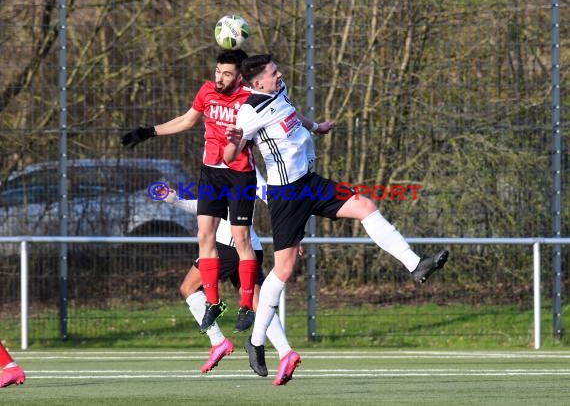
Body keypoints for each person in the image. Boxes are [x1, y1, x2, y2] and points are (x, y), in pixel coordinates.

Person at [224, 54, 449, 384]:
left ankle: (416, 265)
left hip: (311, 183)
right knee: (283, 270)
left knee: (366, 206)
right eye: (273, 73)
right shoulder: (248, 111)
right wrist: (232, 144)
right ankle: (256, 343)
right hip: (287, 196)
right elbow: (231, 156)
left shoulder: (279, 91)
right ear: (258, 82)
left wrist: (317, 126)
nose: (279, 74)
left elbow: (292, 114)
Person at [121, 49, 258, 334]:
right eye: (218, 71)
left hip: (240, 175)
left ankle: (246, 306)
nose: (220, 78)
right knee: (204, 236)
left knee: (240, 238)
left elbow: (282, 114)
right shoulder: (207, 91)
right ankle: (214, 302)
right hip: (211, 172)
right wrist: (149, 132)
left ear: (240, 75)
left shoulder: (251, 97)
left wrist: (312, 127)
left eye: (227, 74)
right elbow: (186, 121)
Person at [157, 171, 298, 384]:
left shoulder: (242, 168)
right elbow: (209, 208)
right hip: (247, 247)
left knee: (189, 288)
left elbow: (271, 197)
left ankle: (219, 342)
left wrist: (294, 234)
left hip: (230, 247)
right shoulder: (217, 167)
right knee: (258, 302)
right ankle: (286, 352)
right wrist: (176, 201)